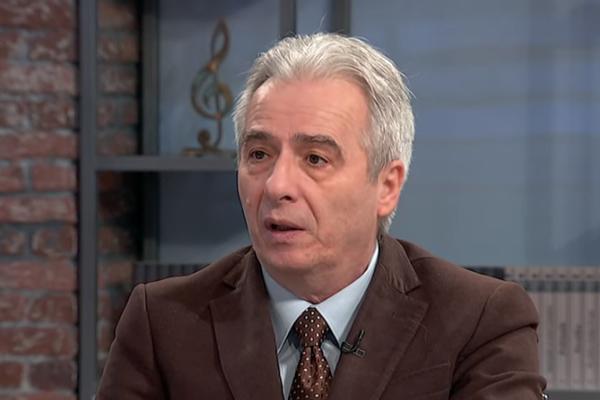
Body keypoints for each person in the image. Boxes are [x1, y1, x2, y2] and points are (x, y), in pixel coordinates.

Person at [97, 33, 546, 399]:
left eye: (315, 158)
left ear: (387, 186)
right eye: (259, 154)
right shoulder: (163, 322)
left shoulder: (480, 321)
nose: (277, 185)